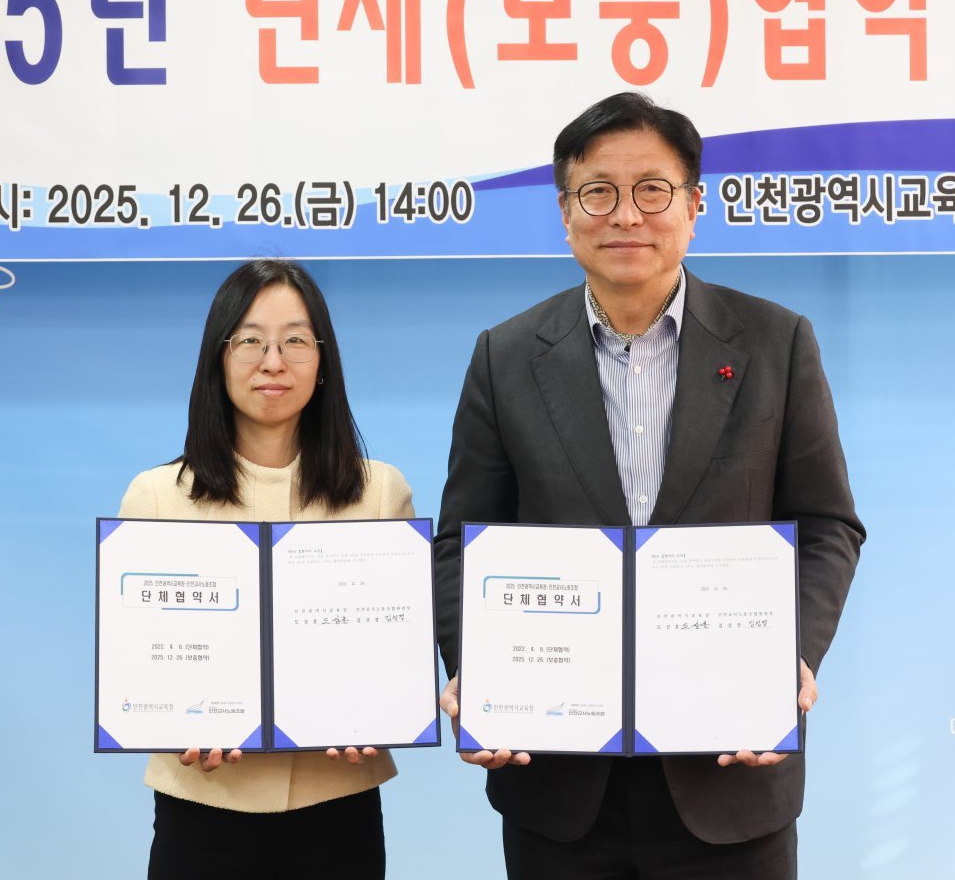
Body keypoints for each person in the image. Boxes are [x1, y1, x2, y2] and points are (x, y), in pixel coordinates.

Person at [432, 93, 866, 879]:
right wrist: (485, 679)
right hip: (559, 782)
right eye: (598, 191)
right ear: (566, 213)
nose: (626, 214)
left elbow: (828, 523)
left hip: (730, 776)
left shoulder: (776, 344)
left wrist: (788, 658)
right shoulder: (505, 356)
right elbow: (462, 542)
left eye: (652, 190)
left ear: (694, 207)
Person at [118, 259, 414, 880]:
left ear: (323, 361)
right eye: (250, 340)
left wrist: (384, 709)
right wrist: (172, 719)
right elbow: (139, 663)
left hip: (337, 803)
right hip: (203, 802)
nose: (273, 362)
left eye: (295, 341)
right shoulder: (156, 497)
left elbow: (398, 652)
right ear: (218, 359)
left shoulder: (380, 492)